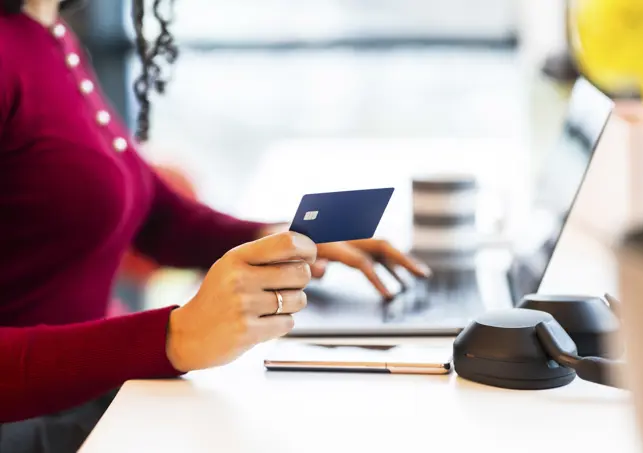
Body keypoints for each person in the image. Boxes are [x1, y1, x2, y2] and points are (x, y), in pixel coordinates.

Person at [0, 0, 431, 450]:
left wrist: (270, 239)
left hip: (84, 393)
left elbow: (153, 213)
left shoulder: (50, 32)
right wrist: (174, 336)